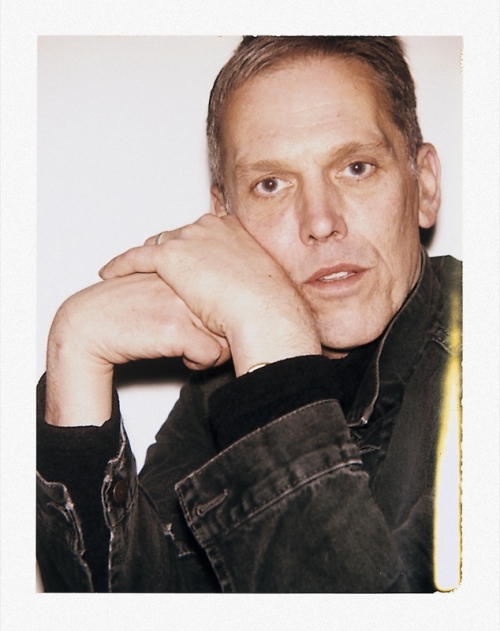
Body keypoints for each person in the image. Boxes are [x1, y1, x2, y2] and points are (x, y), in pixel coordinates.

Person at [36, 36, 462, 592]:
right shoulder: (223, 386)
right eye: (271, 184)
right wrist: (76, 353)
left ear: (423, 186)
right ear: (227, 223)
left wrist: (269, 331)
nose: (320, 221)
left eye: (356, 167)